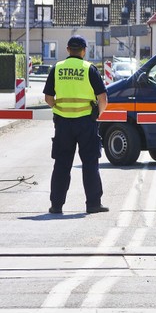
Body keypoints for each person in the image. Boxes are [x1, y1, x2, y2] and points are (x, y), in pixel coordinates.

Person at [43, 35, 109, 215]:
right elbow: (103, 98)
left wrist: (59, 107)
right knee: (90, 163)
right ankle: (93, 204)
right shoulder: (89, 69)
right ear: (83, 51)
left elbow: (48, 98)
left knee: (62, 164)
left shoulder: (57, 68)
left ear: (67, 50)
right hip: (86, 123)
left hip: (63, 123)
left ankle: (56, 205)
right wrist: (97, 114)